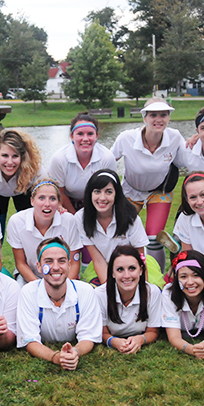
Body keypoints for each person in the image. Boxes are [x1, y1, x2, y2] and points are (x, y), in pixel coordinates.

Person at [110, 99, 187, 272]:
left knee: (153, 238)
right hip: (129, 191)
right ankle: (121, 271)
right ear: (144, 118)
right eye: (153, 115)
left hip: (159, 192)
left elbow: (186, 160)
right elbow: (107, 160)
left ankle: (155, 277)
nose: (158, 119)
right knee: (122, 236)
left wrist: (197, 142)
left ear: (168, 117)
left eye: (163, 115)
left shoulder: (175, 137)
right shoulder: (126, 138)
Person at [17, 237, 102, 370]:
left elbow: (88, 337)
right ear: (39, 266)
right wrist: (55, 357)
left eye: (61, 261)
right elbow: (30, 340)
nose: (55, 267)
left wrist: (75, 352)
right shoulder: (27, 292)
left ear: (69, 265)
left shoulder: (86, 291)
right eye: (48, 261)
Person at [75, 169, 156, 286]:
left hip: (133, 267)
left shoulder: (130, 217)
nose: (102, 198)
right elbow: (98, 259)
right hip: (105, 266)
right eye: (97, 191)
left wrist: (140, 289)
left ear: (116, 194)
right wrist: (110, 289)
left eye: (108, 192)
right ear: (90, 194)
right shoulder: (81, 218)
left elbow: (140, 256)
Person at [7, 179, 82, 285]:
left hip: (63, 277)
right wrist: (40, 287)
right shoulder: (17, 221)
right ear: (32, 201)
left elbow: (74, 263)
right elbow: (21, 263)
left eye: (52, 199)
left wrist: (64, 287)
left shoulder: (69, 220)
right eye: (41, 198)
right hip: (31, 276)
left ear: (58, 202)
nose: (47, 204)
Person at [161, 250, 204, 359]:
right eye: (183, 277)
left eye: (196, 275)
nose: (190, 282)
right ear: (177, 278)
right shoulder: (169, 293)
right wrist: (190, 349)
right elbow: (174, 337)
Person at [0, 129, 47, 234]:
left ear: (23, 157)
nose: (10, 162)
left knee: (28, 227)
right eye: (5, 155)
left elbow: (48, 189)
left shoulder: (33, 166)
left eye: (15, 156)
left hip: (24, 191)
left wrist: (57, 205)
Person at [95, 245, 163, 354]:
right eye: (120, 269)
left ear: (141, 270)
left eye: (132, 268)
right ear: (112, 273)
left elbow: (153, 331)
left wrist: (141, 339)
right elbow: (102, 332)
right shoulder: (99, 294)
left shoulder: (152, 292)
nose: (126, 275)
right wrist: (114, 342)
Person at [47, 114, 118, 213]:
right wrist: (74, 217)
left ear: (96, 136)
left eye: (90, 134)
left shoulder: (107, 157)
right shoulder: (59, 158)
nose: (85, 139)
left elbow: (109, 191)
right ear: (72, 136)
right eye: (80, 134)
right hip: (67, 202)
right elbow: (59, 192)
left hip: (99, 201)